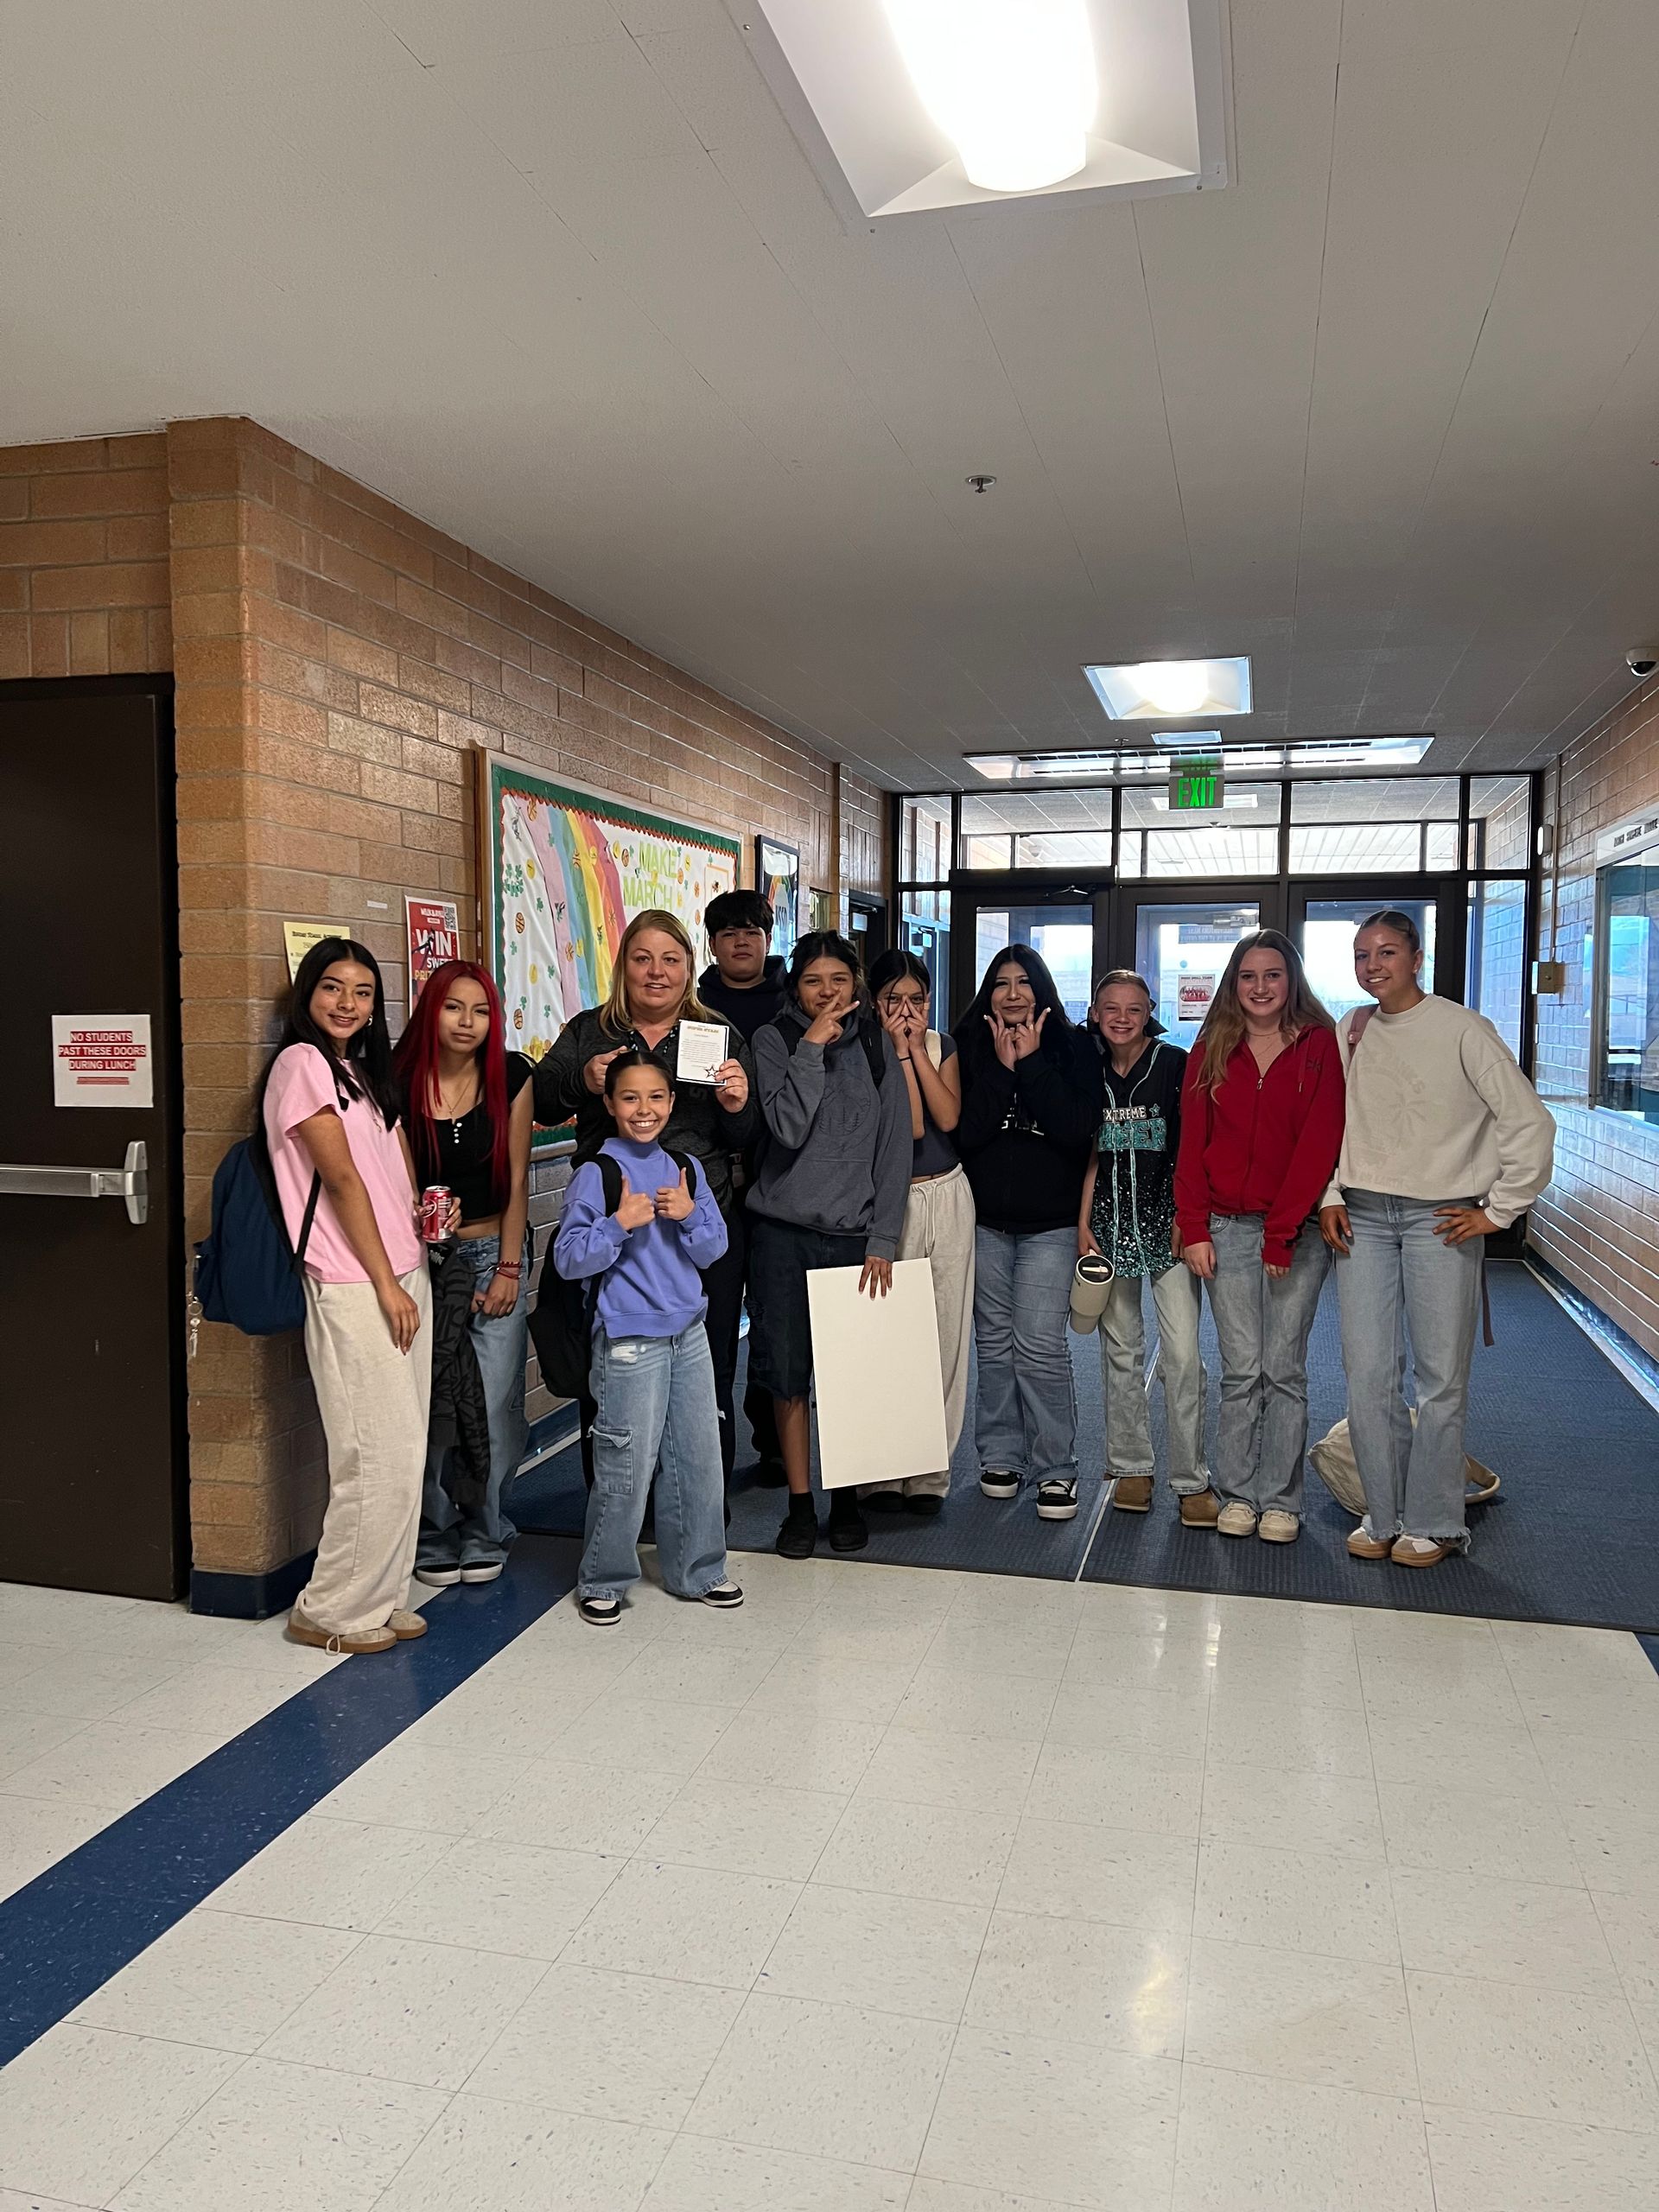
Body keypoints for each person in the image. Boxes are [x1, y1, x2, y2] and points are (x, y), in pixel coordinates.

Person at [1319, 910, 1555, 1567]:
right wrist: (1331, 1193)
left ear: (1417, 957)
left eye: (1387, 952)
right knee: (1367, 1375)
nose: (1373, 965)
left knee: (1439, 1379)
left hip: (1441, 1219)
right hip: (1362, 1215)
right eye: (1363, 954)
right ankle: (1384, 1512)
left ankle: (1436, 1522)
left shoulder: (1462, 1029)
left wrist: (1500, 1210)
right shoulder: (1353, 1028)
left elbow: (1529, 1122)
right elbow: (1329, 1122)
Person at [531, 909, 757, 1484]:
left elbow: (748, 1136)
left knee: (707, 1370)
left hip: (696, 1226)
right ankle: (619, 1512)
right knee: (609, 1372)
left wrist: (737, 1105)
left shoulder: (718, 1034)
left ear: (688, 968)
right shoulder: (591, 1030)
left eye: (671, 960)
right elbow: (539, 1100)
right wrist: (582, 1079)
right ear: (624, 967)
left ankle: (705, 1508)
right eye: (643, 959)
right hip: (616, 1223)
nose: (657, 972)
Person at [258, 938, 435, 1655]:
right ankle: (328, 1610)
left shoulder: (359, 1070)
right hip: (357, 1283)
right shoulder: (300, 1066)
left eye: (363, 993)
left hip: (401, 1270)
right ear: (307, 994)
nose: (347, 1004)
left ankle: (382, 1592)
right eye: (333, 988)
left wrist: (420, 1229)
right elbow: (340, 1181)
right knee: (375, 1451)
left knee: (406, 1447)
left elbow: (389, 1172)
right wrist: (388, 1281)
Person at [553, 1052, 743, 1624]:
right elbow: (567, 1259)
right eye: (630, 1098)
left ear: (672, 1102)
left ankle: (700, 1570)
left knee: (699, 1459)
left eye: (656, 1097)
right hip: (627, 1341)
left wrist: (687, 1213)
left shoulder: (686, 1167)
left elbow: (715, 1249)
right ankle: (603, 1579)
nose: (644, 1110)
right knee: (626, 1464)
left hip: (689, 1334)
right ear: (610, 1105)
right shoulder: (598, 1173)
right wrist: (618, 1224)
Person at [1174, 930, 1345, 1543]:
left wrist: (1280, 1234)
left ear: (1291, 980)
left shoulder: (1320, 1047)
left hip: (1294, 1233)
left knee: (1284, 1370)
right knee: (1241, 1371)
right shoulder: (1212, 1047)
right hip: (1224, 1227)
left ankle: (1281, 1500)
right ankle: (1238, 1492)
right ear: (1234, 983)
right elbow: (1191, 1145)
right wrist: (1192, 1225)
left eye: (1273, 975)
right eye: (1249, 976)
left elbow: (1318, 1145)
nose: (1261, 987)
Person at [747, 931, 911, 1559]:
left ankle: (844, 1498)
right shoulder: (775, 1040)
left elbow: (894, 1149)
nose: (826, 992)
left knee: (847, 1379)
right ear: (796, 989)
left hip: (854, 1238)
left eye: (838, 981)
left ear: (856, 985)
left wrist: (884, 1237)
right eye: (813, 982)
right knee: (788, 1377)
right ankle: (798, 1503)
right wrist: (811, 1049)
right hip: (782, 1235)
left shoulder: (874, 1043)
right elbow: (786, 1130)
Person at [392, 960, 534, 1588]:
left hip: (490, 1254)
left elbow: (519, 1179)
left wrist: (508, 1269)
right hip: (424, 1263)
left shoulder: (513, 1076)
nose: (467, 1022)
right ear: (432, 1010)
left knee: (496, 1407)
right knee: (430, 1405)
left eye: (480, 1011)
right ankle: (433, 1527)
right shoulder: (397, 1081)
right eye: (454, 1008)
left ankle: (485, 1525)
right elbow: (391, 1184)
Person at [956, 944, 1103, 1522]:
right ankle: (1000, 1456)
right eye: (1001, 982)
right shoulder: (967, 1045)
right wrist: (999, 1066)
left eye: (1023, 982)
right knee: (992, 1343)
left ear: (1041, 989)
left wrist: (1034, 1063)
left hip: (1050, 1223)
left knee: (1039, 1344)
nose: (1012, 992)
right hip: (985, 1220)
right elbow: (966, 1133)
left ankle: (1056, 1467)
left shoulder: (1074, 1047)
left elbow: (1075, 1130)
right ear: (988, 991)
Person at [1077, 971, 1214, 1524]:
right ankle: (1131, 1465)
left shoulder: (1175, 1066)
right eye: (1111, 1008)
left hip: (1169, 1230)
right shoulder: (1086, 1071)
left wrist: (1190, 1217)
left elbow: (1194, 1145)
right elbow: (1085, 1153)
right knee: (1120, 1351)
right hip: (1107, 1230)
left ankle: (1191, 1477)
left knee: (1182, 1358)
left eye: (1134, 1009)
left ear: (1150, 1010)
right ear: (1094, 1011)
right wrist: (1082, 1223)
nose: (1122, 1018)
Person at [860, 949, 976, 1516]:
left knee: (946, 1335)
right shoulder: (860, 1050)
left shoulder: (943, 1046)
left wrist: (916, 1052)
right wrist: (897, 1053)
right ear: (873, 1003)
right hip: (891, 1202)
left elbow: (945, 1118)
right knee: (890, 1334)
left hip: (948, 1192)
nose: (907, 1010)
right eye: (893, 1000)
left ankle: (931, 1472)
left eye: (917, 999)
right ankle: (883, 1470)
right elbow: (905, 1126)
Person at [698, 888, 788, 1489]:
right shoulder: (692, 1006)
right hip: (712, 1191)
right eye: (728, 931)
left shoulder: (792, 1003)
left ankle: (776, 1441)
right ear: (712, 942)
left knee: (775, 1321)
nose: (740, 941)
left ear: (767, 937)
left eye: (751, 930)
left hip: (782, 1186)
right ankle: (709, 1443)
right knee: (715, 1321)